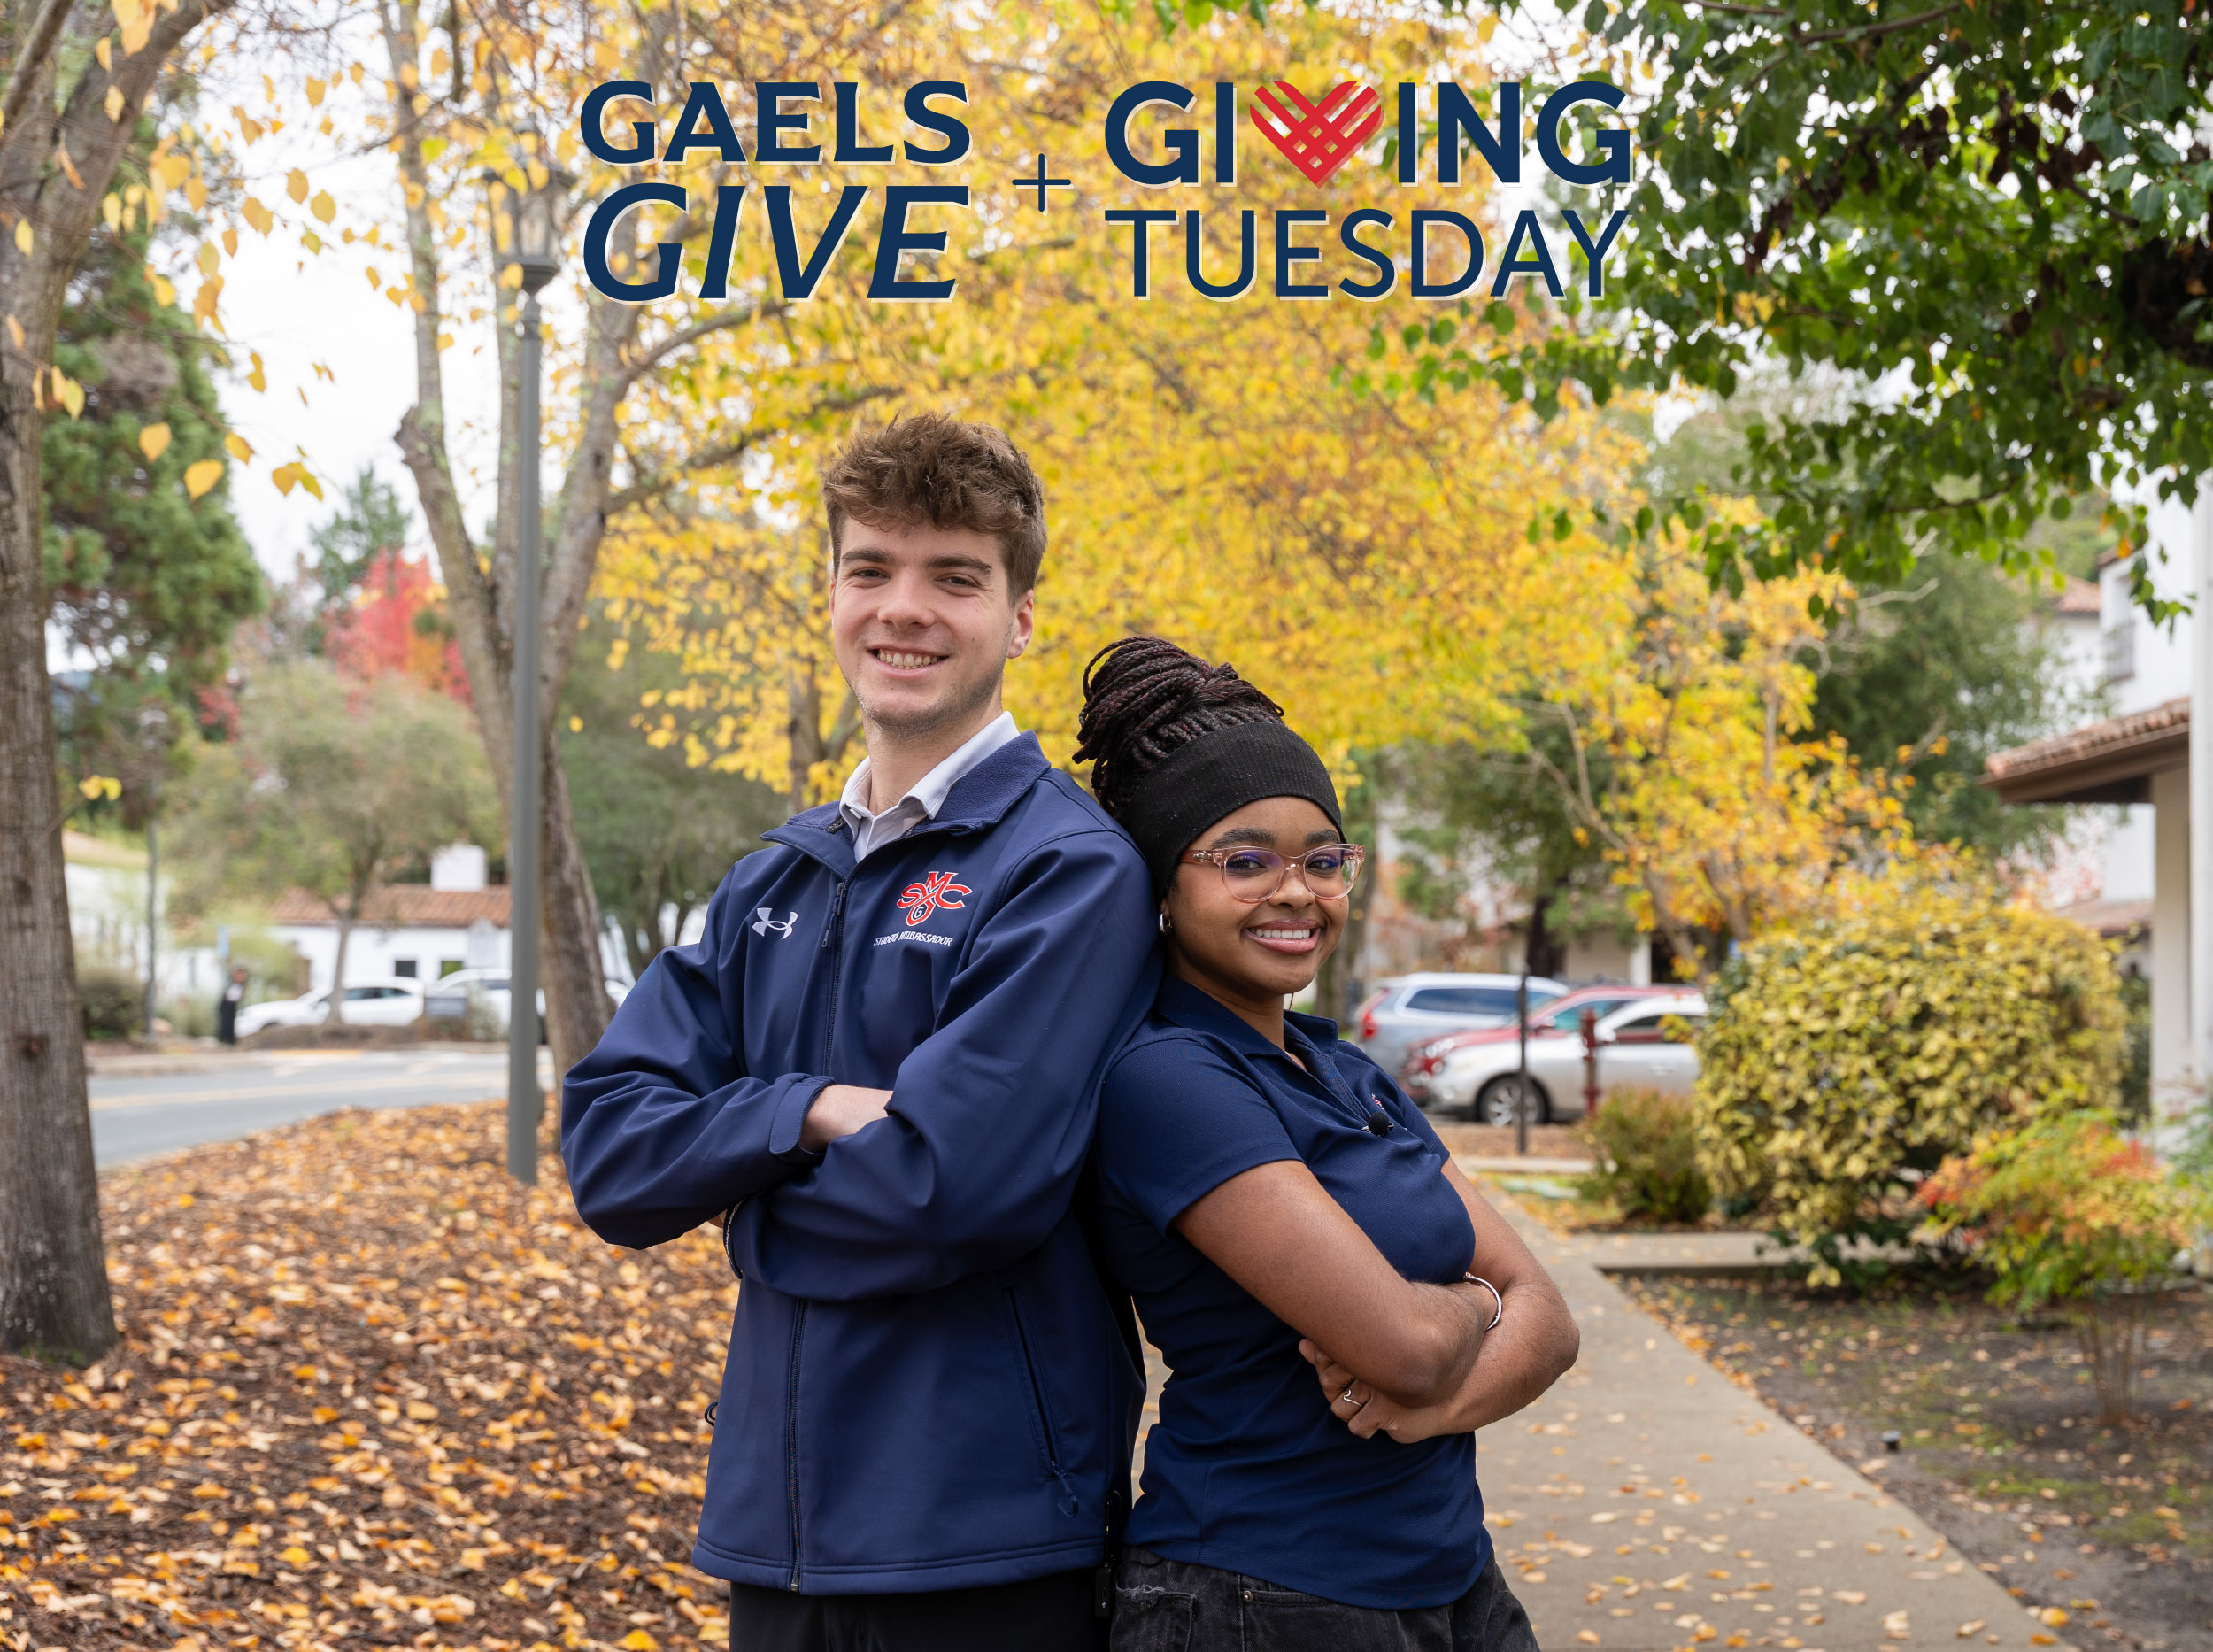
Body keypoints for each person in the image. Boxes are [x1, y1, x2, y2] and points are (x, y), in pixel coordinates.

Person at [561, 415, 1160, 1652]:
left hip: (982, 1534)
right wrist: (806, 1110)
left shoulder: (1066, 870)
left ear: (1021, 617)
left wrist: (736, 1195)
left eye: (955, 578)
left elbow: (948, 1190)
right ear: (831, 596)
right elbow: (612, 1157)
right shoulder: (773, 880)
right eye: (871, 569)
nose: (904, 609)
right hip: (777, 1526)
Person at [1072, 635, 1582, 1652]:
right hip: (1258, 1594)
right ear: (1163, 888)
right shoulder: (1165, 1079)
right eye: (1244, 861)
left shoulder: (1345, 1072)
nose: (1297, 891)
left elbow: (1552, 1323)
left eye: (1322, 859)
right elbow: (1404, 1348)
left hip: (1453, 1575)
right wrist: (1476, 1306)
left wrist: (1435, 1396)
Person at [216, 966, 248, 1046]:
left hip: (233, 1005)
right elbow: (225, 995)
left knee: (231, 1023)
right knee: (225, 1022)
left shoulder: (241, 985)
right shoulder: (230, 983)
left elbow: (239, 997)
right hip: (226, 1004)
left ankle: (230, 1040)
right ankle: (223, 1039)